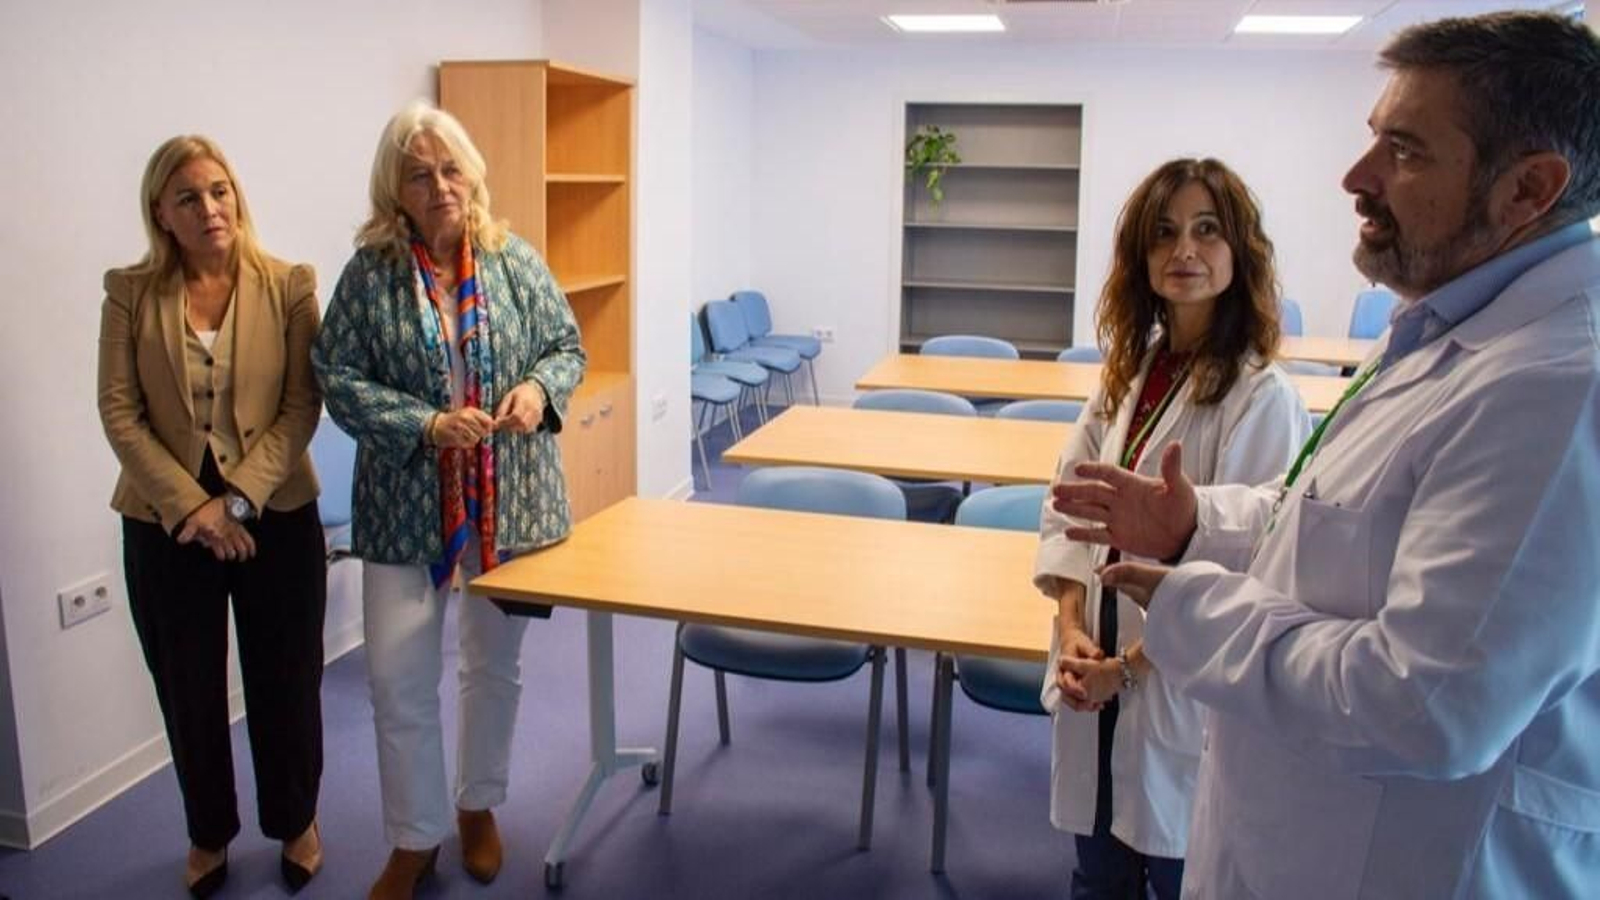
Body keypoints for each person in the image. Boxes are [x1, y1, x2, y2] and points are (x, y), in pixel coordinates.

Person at [1051, 11, 1600, 898]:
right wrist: (1196, 522)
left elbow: (1424, 706)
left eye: (1406, 150)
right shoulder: (1436, 332)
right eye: (1373, 141)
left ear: (1527, 189)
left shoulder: (1560, 385)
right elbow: (1311, 513)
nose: (1356, 175)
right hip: (1290, 832)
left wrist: (1193, 607)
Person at [313, 101, 585, 900]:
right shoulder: (371, 275)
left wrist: (537, 388)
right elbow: (336, 375)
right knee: (398, 679)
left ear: (474, 174)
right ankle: (413, 837)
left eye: (450, 168)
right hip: (405, 503)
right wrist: (426, 424)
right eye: (419, 173)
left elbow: (566, 345)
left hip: (507, 504)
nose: (439, 186)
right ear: (394, 189)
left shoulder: (513, 262)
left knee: (492, 667)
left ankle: (476, 806)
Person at [1034, 158, 1310, 899]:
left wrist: (1125, 667)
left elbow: (1253, 569)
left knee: (1185, 874)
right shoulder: (1128, 375)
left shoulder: (1263, 397)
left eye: (1206, 230)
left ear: (1238, 252)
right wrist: (1069, 630)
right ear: (1141, 258)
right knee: (1097, 878)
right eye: (1164, 234)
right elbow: (1065, 506)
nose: (1184, 250)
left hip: (1180, 694)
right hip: (1090, 675)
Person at [97, 135, 326, 897]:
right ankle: (208, 833)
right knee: (188, 688)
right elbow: (120, 412)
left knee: (285, 680)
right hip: (166, 526)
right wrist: (194, 507)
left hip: (276, 514)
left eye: (220, 190)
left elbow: (300, 408)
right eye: (189, 197)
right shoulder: (130, 292)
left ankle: (296, 820)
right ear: (161, 211)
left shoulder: (290, 284)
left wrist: (236, 499)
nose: (210, 208)